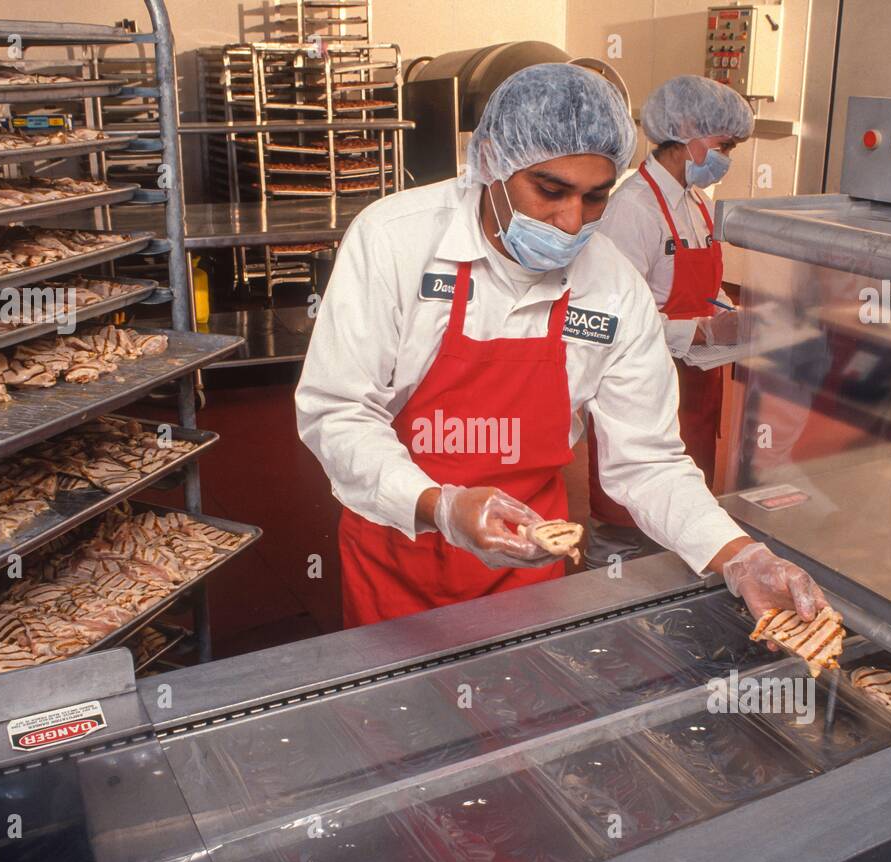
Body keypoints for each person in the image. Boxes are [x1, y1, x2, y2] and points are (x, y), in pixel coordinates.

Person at [295, 63, 824, 629]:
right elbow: (339, 412)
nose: (571, 222)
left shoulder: (612, 286)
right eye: (550, 190)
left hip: (530, 561)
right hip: (400, 549)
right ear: (492, 161)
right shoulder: (396, 240)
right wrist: (442, 507)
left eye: (596, 198)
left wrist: (738, 556)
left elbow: (647, 462)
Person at [588, 75, 754, 567]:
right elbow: (612, 320)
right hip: (640, 381)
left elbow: (707, 288)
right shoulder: (632, 208)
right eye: (724, 145)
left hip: (696, 381)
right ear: (685, 133)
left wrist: (730, 316)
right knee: (627, 516)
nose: (728, 156)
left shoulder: (697, 205)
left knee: (682, 511)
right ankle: (605, 592)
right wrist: (699, 331)